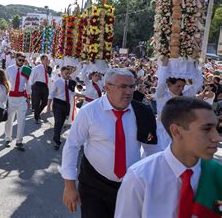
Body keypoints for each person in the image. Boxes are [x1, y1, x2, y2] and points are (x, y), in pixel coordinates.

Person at [61, 68, 161, 218]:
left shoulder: (143, 113)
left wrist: (153, 183)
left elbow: (152, 151)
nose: (128, 91)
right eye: (123, 86)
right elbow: (72, 146)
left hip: (129, 186)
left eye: (132, 86)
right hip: (94, 184)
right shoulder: (89, 112)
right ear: (107, 87)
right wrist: (69, 185)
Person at [115, 97, 222, 218]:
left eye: (216, 128)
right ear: (176, 131)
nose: (217, 138)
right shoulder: (140, 177)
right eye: (206, 129)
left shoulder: (216, 173)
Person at [5, 52, 32, 151]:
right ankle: (8, 138)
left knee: (21, 121)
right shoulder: (9, 69)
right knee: (9, 119)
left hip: (21, 98)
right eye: (19, 60)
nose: (21, 62)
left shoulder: (26, 70)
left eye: (23, 60)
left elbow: (29, 85)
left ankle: (19, 141)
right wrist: (4, 99)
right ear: (16, 59)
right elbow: (6, 83)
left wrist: (29, 98)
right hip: (11, 97)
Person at [47, 66, 76, 150]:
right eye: (66, 73)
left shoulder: (71, 82)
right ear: (61, 73)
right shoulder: (57, 82)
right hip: (57, 104)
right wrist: (48, 105)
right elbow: (51, 94)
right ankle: (57, 141)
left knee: (61, 123)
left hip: (66, 105)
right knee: (58, 122)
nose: (68, 75)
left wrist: (83, 96)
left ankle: (56, 135)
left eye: (69, 73)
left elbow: (72, 93)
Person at [29, 54, 51, 124]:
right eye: (45, 59)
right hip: (37, 85)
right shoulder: (37, 68)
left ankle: (37, 113)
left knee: (45, 102)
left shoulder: (49, 68)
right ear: (41, 60)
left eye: (47, 59)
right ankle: (36, 118)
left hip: (45, 86)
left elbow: (50, 77)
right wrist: (31, 86)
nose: (47, 61)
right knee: (37, 102)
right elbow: (32, 77)